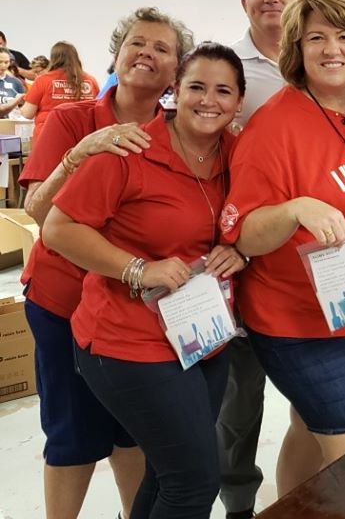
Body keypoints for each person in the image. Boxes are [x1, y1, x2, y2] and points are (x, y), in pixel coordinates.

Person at [43, 42, 248, 519]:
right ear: (175, 91)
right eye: (196, 87)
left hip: (202, 337)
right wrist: (139, 268)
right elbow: (58, 228)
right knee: (195, 482)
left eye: (224, 91)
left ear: (239, 102)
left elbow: (248, 216)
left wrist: (238, 250)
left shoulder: (238, 153)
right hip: (127, 342)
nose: (208, 100)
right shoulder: (129, 149)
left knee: (167, 472)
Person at [220, 0, 345, 497]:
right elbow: (244, 233)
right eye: (315, 37)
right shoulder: (272, 126)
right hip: (296, 322)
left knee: (308, 424)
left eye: (344, 36)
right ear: (296, 48)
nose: (331, 49)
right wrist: (294, 209)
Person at [19, 7, 192, 519]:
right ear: (116, 55)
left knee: (132, 432)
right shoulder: (72, 120)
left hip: (136, 311)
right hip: (63, 302)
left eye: (163, 49)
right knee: (72, 432)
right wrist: (79, 154)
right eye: (137, 43)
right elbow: (35, 210)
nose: (148, 54)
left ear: (176, 71)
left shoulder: (178, 132)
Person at [218, 0, 299, 519]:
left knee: (312, 395)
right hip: (240, 248)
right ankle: (240, 504)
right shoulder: (230, 69)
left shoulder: (320, 61)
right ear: (243, 3)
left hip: (309, 261)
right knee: (239, 401)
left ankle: (304, 495)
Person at [21, 41, 99, 141]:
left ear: (53, 59)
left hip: (48, 138)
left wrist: (20, 104)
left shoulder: (43, 80)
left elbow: (27, 113)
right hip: (82, 139)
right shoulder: (91, 81)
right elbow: (97, 110)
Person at [0, 47, 26, 117]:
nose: (3, 65)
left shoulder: (16, 82)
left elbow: (23, 107)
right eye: (0, 62)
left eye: (6, 62)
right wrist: (16, 100)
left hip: (10, 124)